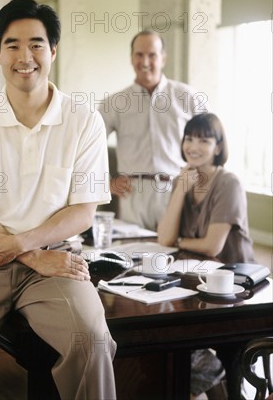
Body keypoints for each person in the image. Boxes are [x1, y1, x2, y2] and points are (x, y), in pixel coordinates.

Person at [0, 0, 117, 400]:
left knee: (93, 342)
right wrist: (28, 252)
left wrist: (25, 247)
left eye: (36, 44)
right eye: (12, 45)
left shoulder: (84, 121)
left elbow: (83, 211)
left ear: (53, 50)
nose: (24, 56)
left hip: (54, 259)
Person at [157, 112, 255, 400]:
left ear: (218, 146)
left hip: (236, 291)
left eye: (204, 139)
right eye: (189, 138)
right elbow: (164, 239)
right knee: (169, 338)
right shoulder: (183, 179)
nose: (194, 146)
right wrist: (179, 192)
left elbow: (213, 246)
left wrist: (180, 239)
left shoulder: (228, 184)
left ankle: (218, 385)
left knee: (186, 346)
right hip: (198, 284)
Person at [99, 29, 202, 230]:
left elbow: (210, 139)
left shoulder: (187, 97)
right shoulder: (114, 102)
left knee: (175, 252)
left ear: (163, 58)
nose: (145, 62)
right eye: (139, 55)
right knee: (132, 253)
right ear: (131, 58)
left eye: (152, 55)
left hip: (176, 188)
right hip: (132, 193)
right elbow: (88, 145)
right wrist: (107, 183)